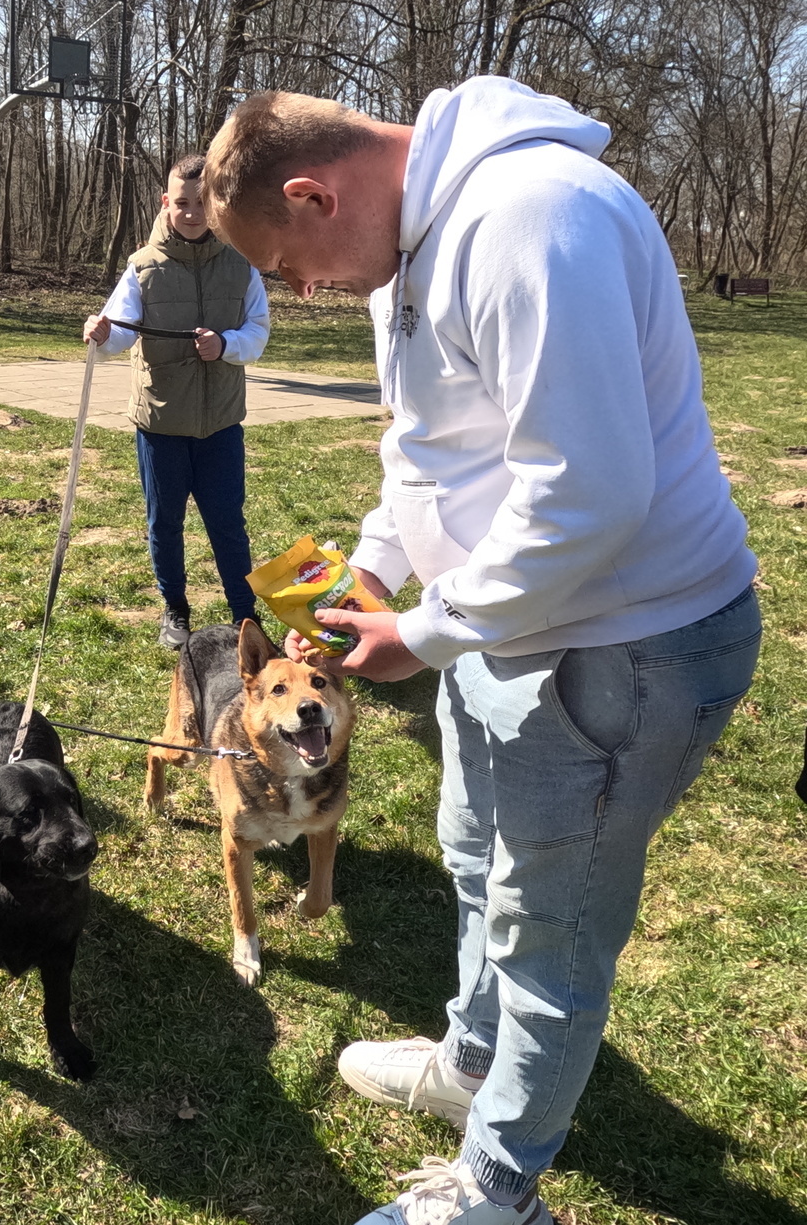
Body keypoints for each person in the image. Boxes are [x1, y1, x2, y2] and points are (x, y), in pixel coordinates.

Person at [203, 79, 760, 1225]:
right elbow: (424, 455)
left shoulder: (529, 215)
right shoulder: (405, 252)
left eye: (287, 265)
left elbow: (588, 493)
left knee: (547, 925)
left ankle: (496, 1191)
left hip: (623, 644)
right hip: (504, 628)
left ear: (313, 193)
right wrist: (372, 573)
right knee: (472, 859)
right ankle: (468, 1064)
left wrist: (426, 631)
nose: (301, 292)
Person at [83, 153, 271, 648]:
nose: (192, 213)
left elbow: (258, 330)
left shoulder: (242, 265)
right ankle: (175, 609)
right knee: (164, 523)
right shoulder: (142, 268)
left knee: (228, 523)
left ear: (216, 204)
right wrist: (99, 334)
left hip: (221, 425)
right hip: (160, 423)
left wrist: (226, 345)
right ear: (166, 203)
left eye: (202, 203)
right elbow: (117, 332)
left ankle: (243, 616)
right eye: (182, 203)